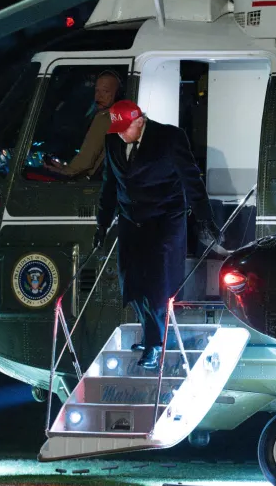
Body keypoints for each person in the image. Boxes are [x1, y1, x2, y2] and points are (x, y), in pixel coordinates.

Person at [93, 100, 220, 369]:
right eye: (116, 129)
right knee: (133, 281)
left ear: (139, 121)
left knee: (156, 284)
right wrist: (101, 224)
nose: (119, 133)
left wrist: (205, 219)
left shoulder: (169, 138)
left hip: (164, 219)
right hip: (131, 220)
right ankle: (151, 333)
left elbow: (191, 179)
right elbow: (109, 184)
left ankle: (155, 343)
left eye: (124, 128)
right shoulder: (113, 141)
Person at [43, 71, 121, 179]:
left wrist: (64, 172)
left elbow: (86, 161)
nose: (99, 96)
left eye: (105, 91)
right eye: (97, 90)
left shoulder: (105, 118)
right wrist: (64, 168)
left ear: (117, 94)